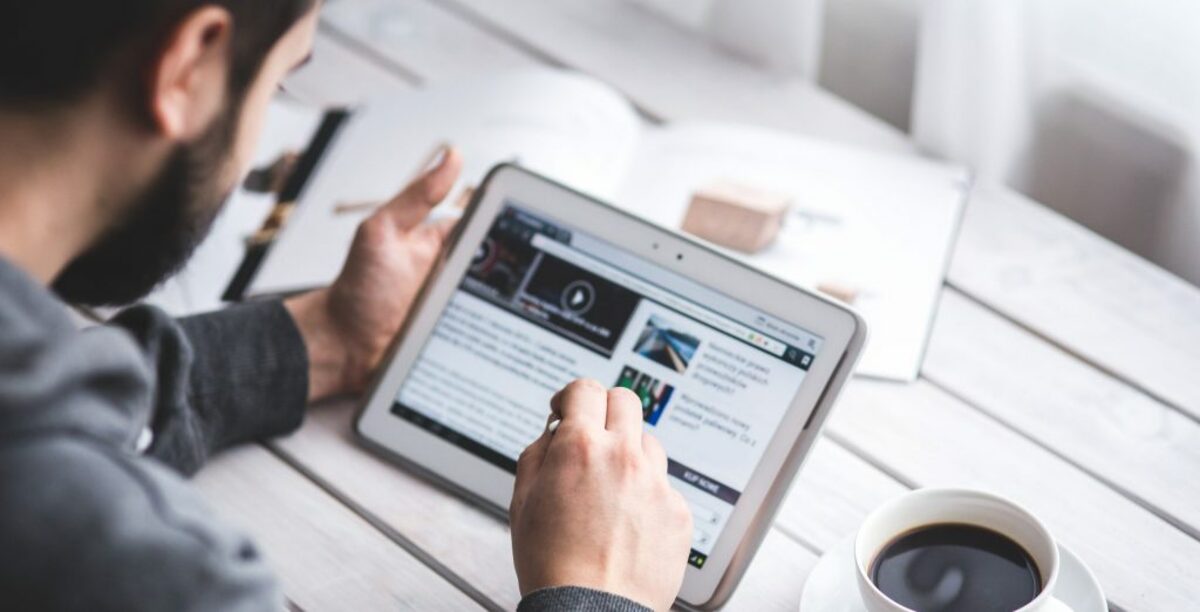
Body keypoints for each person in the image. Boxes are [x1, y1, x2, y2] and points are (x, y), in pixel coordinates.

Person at [0, 1, 693, 610]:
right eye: (277, 83)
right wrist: (598, 595)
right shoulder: (160, 577)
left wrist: (325, 337)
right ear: (190, 64)